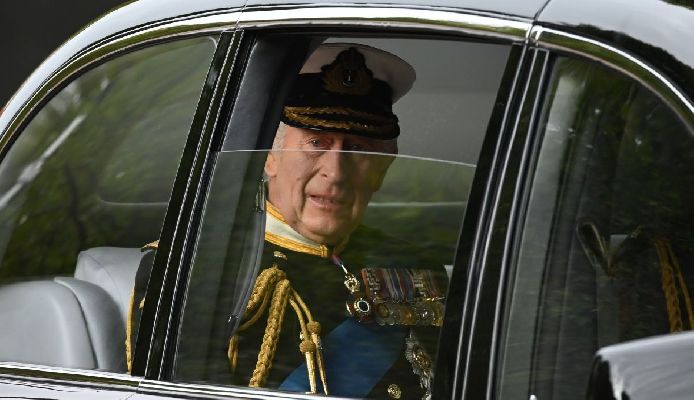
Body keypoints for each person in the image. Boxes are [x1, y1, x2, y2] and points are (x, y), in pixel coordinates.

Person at [227, 43, 448, 399]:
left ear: (382, 168)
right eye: (317, 142)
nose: (336, 171)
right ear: (270, 155)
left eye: (357, 149)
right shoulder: (203, 270)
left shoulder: (417, 267)